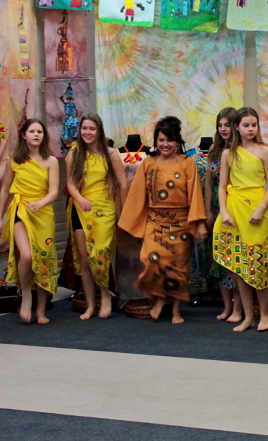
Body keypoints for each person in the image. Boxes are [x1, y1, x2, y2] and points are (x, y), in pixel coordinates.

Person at [119, 116, 207, 323]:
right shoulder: (148, 164)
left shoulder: (187, 164)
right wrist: (129, 222)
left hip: (180, 223)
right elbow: (137, 194)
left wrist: (199, 222)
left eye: (169, 140)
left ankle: (176, 310)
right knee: (151, 259)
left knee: (178, 269)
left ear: (177, 142)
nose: (165, 144)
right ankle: (159, 298)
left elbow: (195, 194)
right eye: (161, 140)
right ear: (156, 142)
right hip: (155, 221)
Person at [213, 107, 268, 332]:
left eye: (254, 125)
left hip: (256, 210)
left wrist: (260, 209)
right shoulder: (228, 153)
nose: (251, 129)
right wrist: (224, 212)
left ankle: (265, 315)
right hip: (234, 209)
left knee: (258, 264)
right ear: (237, 127)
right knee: (240, 266)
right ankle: (248, 317)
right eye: (246, 125)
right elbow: (222, 186)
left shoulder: (265, 151)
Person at [0, 119, 59, 324]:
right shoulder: (14, 160)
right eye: (32, 131)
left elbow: (54, 192)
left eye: (40, 131)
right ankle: (26, 295)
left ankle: (41, 310)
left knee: (43, 260)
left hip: (43, 213)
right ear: (24, 135)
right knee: (28, 256)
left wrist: (40, 204)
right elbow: (5, 190)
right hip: (20, 211)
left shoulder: (51, 161)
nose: (36, 134)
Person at [65, 114, 128, 320]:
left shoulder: (111, 153)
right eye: (84, 128)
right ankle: (90, 305)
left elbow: (122, 184)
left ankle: (106, 294)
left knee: (100, 255)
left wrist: (124, 213)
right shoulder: (74, 154)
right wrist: (79, 198)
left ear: (99, 131)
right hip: (81, 209)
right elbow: (70, 183)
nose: (88, 132)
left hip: (104, 210)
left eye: (92, 129)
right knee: (85, 259)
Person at [205, 107, 243, 322]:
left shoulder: (241, 150)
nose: (223, 129)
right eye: (220, 125)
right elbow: (209, 183)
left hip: (236, 209)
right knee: (219, 260)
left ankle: (238, 308)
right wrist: (207, 211)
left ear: (235, 126)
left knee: (235, 259)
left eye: (227, 125)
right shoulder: (214, 150)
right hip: (216, 209)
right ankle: (227, 307)